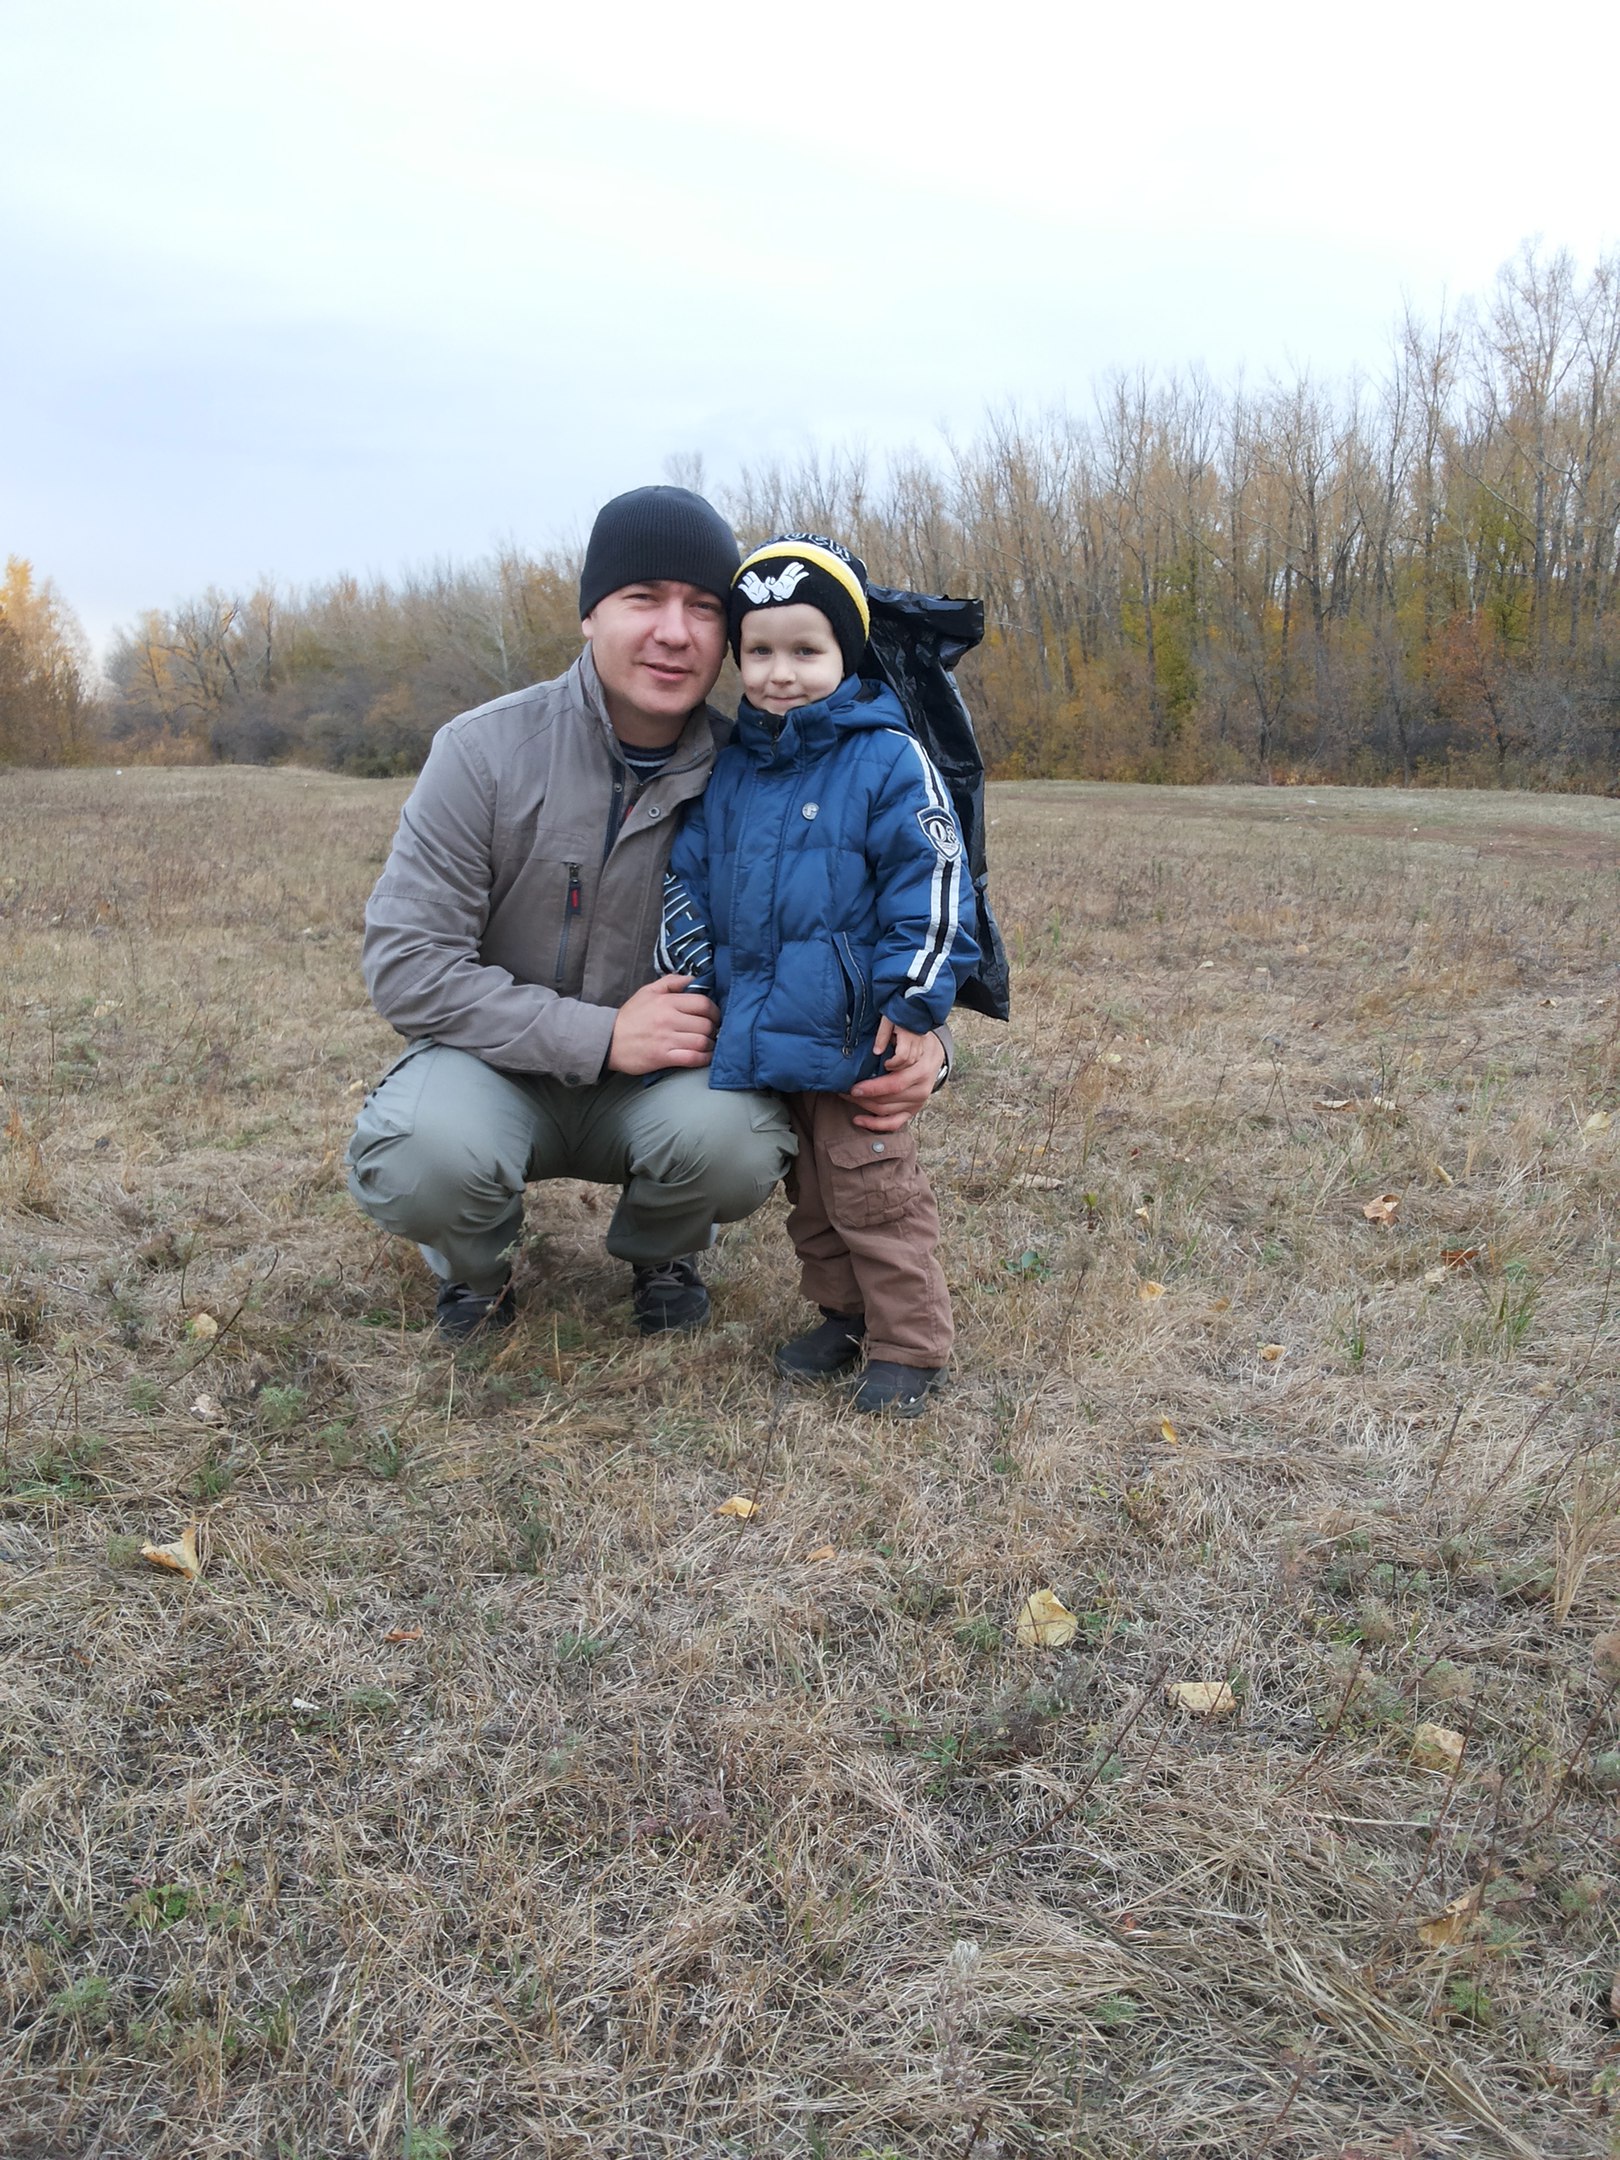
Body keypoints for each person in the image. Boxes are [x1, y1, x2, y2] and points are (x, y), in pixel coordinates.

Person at [345, 486, 948, 1338]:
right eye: (643, 599)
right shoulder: (482, 751)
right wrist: (597, 1038)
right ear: (591, 614)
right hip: (491, 1062)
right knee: (420, 1155)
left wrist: (923, 1036)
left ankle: (662, 1253)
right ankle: (474, 1272)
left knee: (734, 1141)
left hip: (667, 1080)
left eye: (703, 608)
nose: (675, 631)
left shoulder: (764, 770)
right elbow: (407, 967)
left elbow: (860, 915)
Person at [658, 533, 977, 1414]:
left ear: (847, 650)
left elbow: (935, 886)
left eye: (806, 650)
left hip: (856, 1028)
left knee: (874, 1190)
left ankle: (909, 1344)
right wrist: (693, 968)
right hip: (764, 1023)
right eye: (759, 651)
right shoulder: (734, 771)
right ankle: (842, 1315)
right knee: (811, 1196)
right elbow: (692, 874)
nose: (780, 673)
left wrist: (914, 1001)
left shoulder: (885, 759)